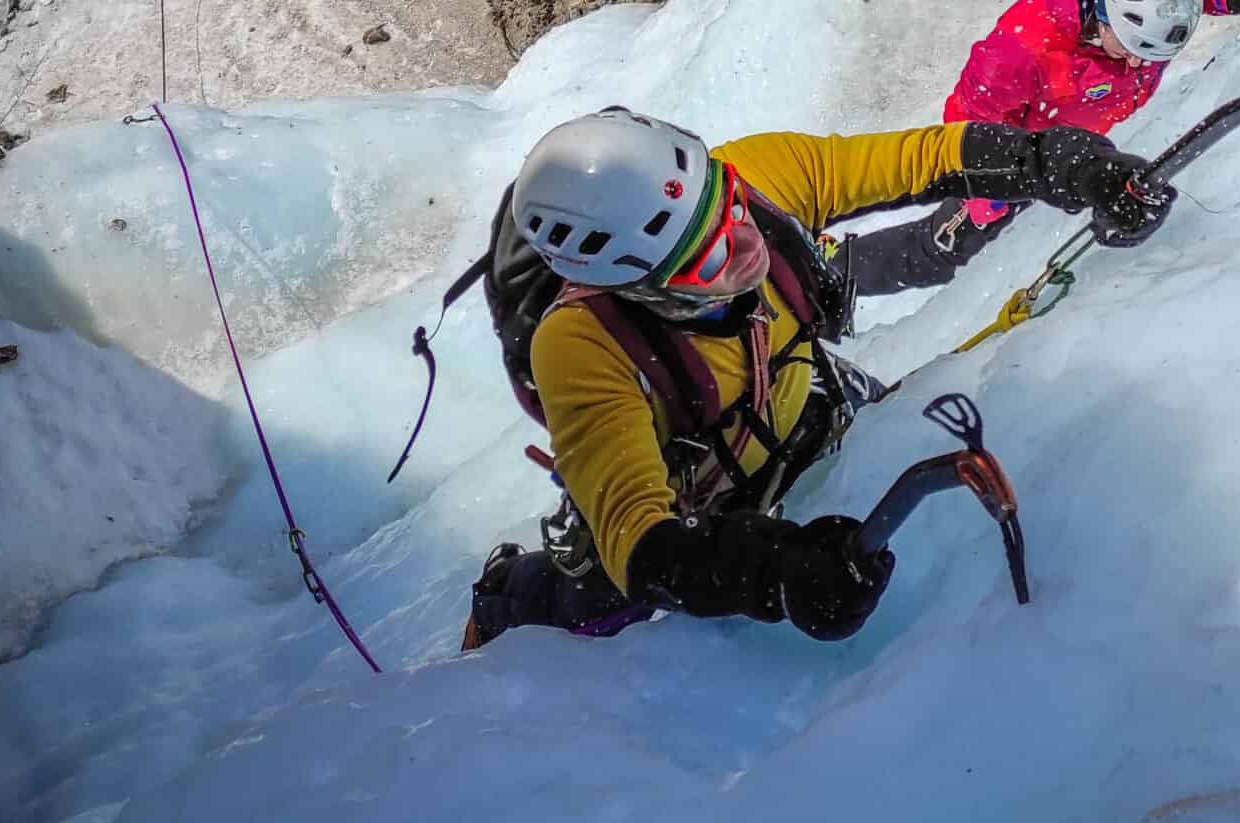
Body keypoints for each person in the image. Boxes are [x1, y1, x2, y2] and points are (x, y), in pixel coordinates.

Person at [462, 104, 1177, 651]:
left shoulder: (753, 176)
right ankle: (505, 594)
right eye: (710, 262)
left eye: (730, 215)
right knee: (595, 609)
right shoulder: (581, 346)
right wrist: (774, 571)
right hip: (707, 492)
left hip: (802, 394)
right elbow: (639, 543)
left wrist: (1058, 162)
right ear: (636, 288)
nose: (747, 253)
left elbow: (921, 160)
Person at [837, 0, 1240, 296]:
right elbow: (965, 123)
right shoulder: (1018, 52)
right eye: (1129, 49)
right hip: (1023, 163)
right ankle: (836, 274)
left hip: (1078, 155)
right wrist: (992, 190)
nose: (1134, 65)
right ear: (1105, 17)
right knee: (937, 253)